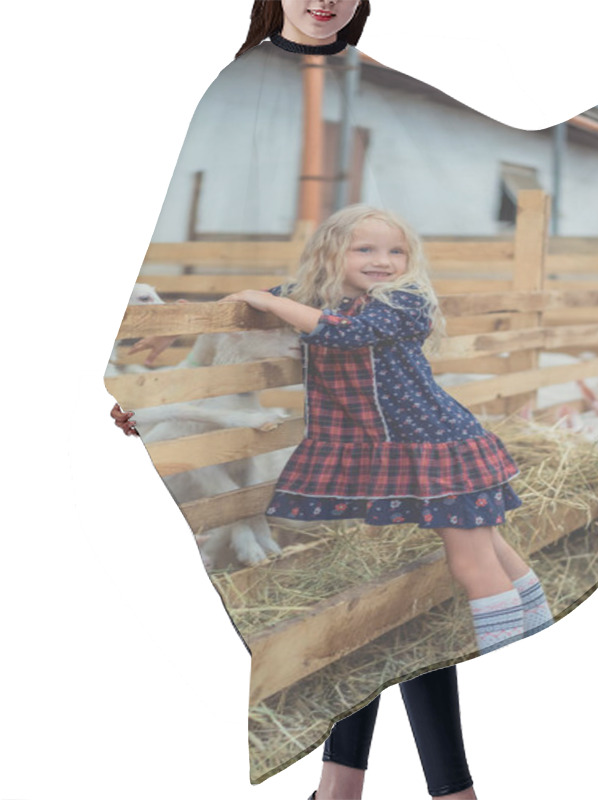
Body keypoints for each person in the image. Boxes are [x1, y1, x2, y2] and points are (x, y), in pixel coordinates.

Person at [109, 3, 554, 797]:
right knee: (390, 599)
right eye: (366, 249)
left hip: (421, 445)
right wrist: (145, 383)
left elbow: (322, 318)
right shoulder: (232, 85)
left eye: (395, 251)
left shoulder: (394, 283)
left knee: (429, 579)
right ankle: (361, 786)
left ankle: (421, 781)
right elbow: (197, 277)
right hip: (373, 448)